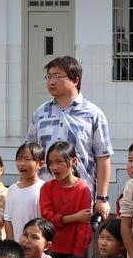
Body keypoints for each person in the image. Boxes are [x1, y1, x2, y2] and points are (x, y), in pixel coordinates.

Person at [26, 55, 113, 217]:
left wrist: (102, 198)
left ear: (75, 80)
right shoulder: (40, 113)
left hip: (80, 196)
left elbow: (103, 157)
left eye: (57, 76)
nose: (51, 81)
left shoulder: (93, 114)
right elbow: (30, 154)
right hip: (45, 195)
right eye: (49, 77)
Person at [39, 141, 93, 258]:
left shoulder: (83, 190)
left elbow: (84, 227)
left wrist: (78, 255)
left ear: (73, 161)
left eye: (59, 162)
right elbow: (47, 217)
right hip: (50, 250)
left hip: (73, 253)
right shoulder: (47, 188)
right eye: (50, 163)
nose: (54, 167)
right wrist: (74, 217)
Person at [3, 142, 45, 243]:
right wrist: (12, 244)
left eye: (27, 159)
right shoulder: (12, 189)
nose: (22, 164)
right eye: (19, 159)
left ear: (40, 164)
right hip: (16, 246)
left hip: (36, 246)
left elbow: (45, 222)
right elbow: (8, 219)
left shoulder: (44, 188)